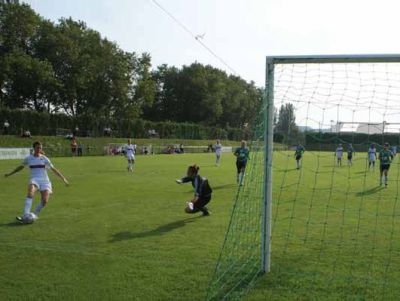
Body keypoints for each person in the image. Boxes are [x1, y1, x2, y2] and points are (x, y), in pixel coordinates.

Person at [4, 141, 69, 223]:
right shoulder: (29, 158)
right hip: (34, 179)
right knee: (30, 192)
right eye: (38, 147)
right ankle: (25, 215)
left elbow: (53, 169)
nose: (39, 149)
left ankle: (34, 215)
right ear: (34, 148)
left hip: (45, 181)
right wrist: (10, 173)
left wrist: (63, 178)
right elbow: (20, 167)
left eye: (40, 148)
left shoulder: (44, 158)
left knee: (45, 201)